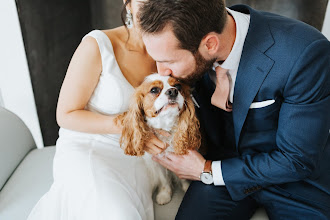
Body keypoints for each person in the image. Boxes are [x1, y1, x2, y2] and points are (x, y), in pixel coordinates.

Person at [138, 0, 330, 219]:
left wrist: (208, 171)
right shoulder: (188, 42)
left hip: (294, 182)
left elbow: (297, 159)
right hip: (223, 165)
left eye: (167, 61)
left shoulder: (304, 53)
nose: (163, 71)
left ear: (210, 44)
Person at [27, 0, 158, 219]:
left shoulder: (170, 49)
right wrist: (128, 125)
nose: (153, 8)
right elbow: (66, 115)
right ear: (128, 4)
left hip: (136, 156)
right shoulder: (98, 45)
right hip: (89, 147)